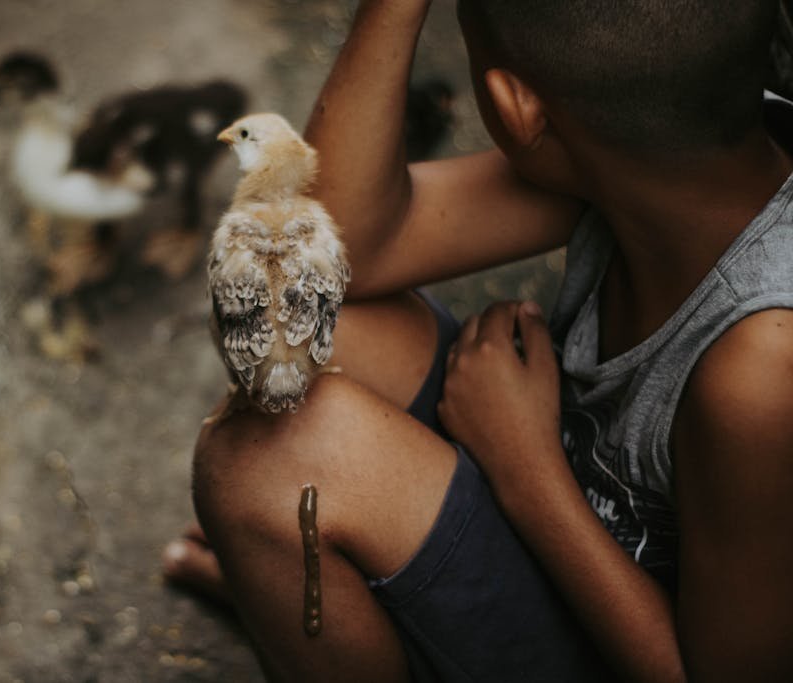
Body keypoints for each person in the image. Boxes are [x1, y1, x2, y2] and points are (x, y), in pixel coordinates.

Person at [162, 1, 793, 681]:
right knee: (291, 316)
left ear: (517, 109)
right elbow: (343, 248)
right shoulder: (680, 130)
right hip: (555, 504)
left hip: (618, 624)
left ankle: (342, 622)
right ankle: (329, 618)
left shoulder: (762, 366)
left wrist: (524, 464)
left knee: (261, 469)